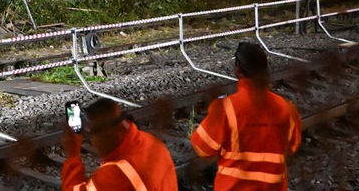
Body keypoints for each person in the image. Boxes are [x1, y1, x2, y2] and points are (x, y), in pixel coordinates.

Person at [189, 42, 302, 190]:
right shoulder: (286, 108)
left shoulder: (226, 108)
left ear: (238, 69)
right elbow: (292, 147)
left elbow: (202, 148)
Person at [62, 97, 178, 191]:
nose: (92, 141)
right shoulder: (148, 140)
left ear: (114, 131)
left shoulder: (117, 171)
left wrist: (73, 155)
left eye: (94, 132)